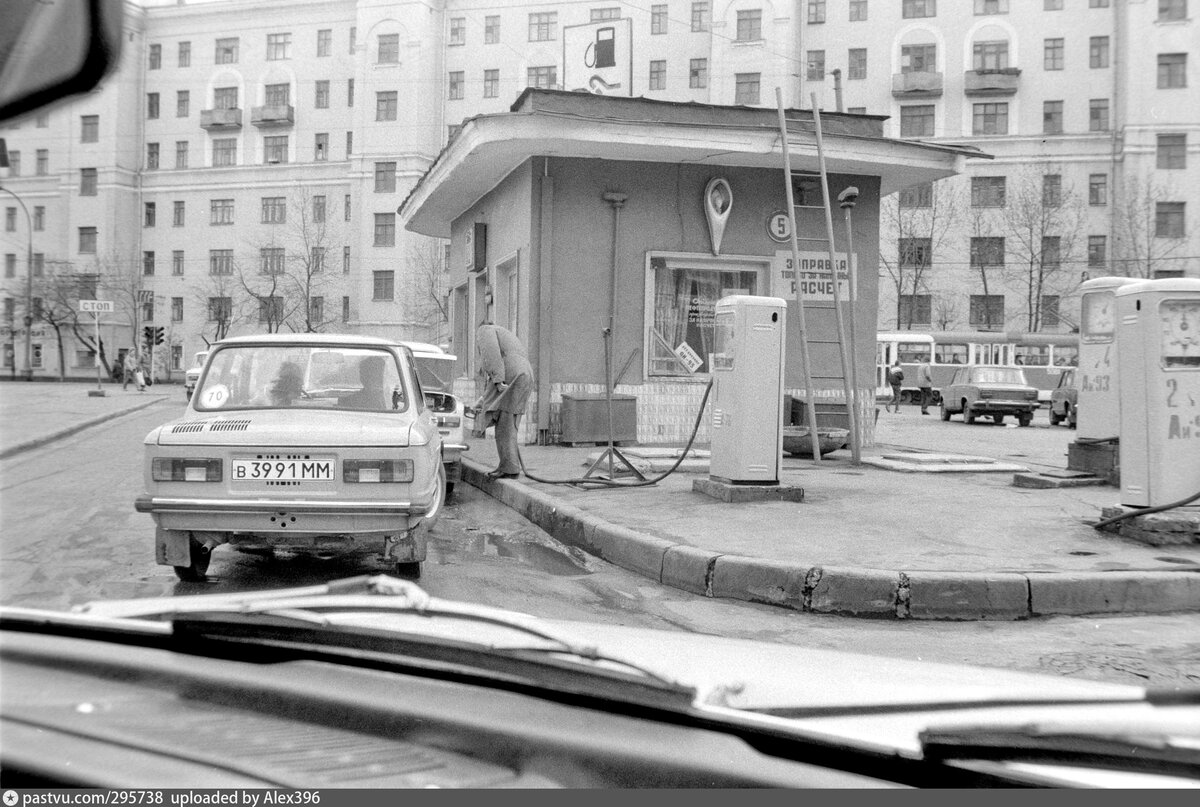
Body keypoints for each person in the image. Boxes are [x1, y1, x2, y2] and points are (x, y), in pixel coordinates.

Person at [473, 317, 533, 480]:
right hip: (524, 374)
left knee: (504, 422)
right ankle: (508, 465)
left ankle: (509, 468)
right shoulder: (504, 334)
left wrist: (499, 381)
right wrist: (483, 399)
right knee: (509, 421)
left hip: (512, 375)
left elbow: (491, 356)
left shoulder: (485, 331)